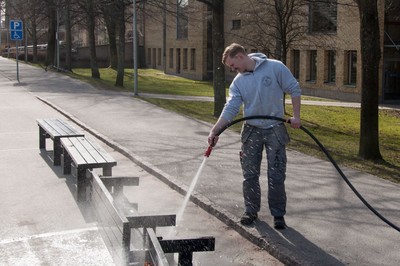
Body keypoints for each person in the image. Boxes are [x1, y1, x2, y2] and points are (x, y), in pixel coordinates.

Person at [208, 43, 301, 229]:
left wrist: (297, 116)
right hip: (251, 130)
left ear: (240, 56)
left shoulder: (275, 67)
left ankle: (278, 215)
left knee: (276, 175)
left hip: (275, 129)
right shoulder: (238, 82)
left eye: (233, 65)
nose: (232, 69)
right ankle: (251, 211)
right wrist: (215, 130)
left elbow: (294, 88)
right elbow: (231, 108)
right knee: (249, 174)